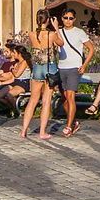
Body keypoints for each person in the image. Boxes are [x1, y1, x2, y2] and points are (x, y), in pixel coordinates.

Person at [51, 10, 94, 138]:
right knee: (64, 98)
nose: (68, 20)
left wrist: (84, 64)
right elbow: (56, 49)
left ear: (74, 19)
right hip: (62, 67)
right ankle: (74, 122)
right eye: (65, 18)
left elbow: (91, 49)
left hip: (74, 68)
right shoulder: (57, 33)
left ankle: (68, 126)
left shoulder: (79, 32)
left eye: (70, 18)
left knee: (70, 96)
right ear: (62, 19)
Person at [22, 10, 61, 142]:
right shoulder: (51, 34)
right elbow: (61, 43)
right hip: (49, 67)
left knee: (33, 100)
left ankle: (23, 130)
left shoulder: (32, 34)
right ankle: (42, 132)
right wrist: (56, 28)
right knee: (46, 101)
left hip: (37, 67)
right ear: (47, 20)